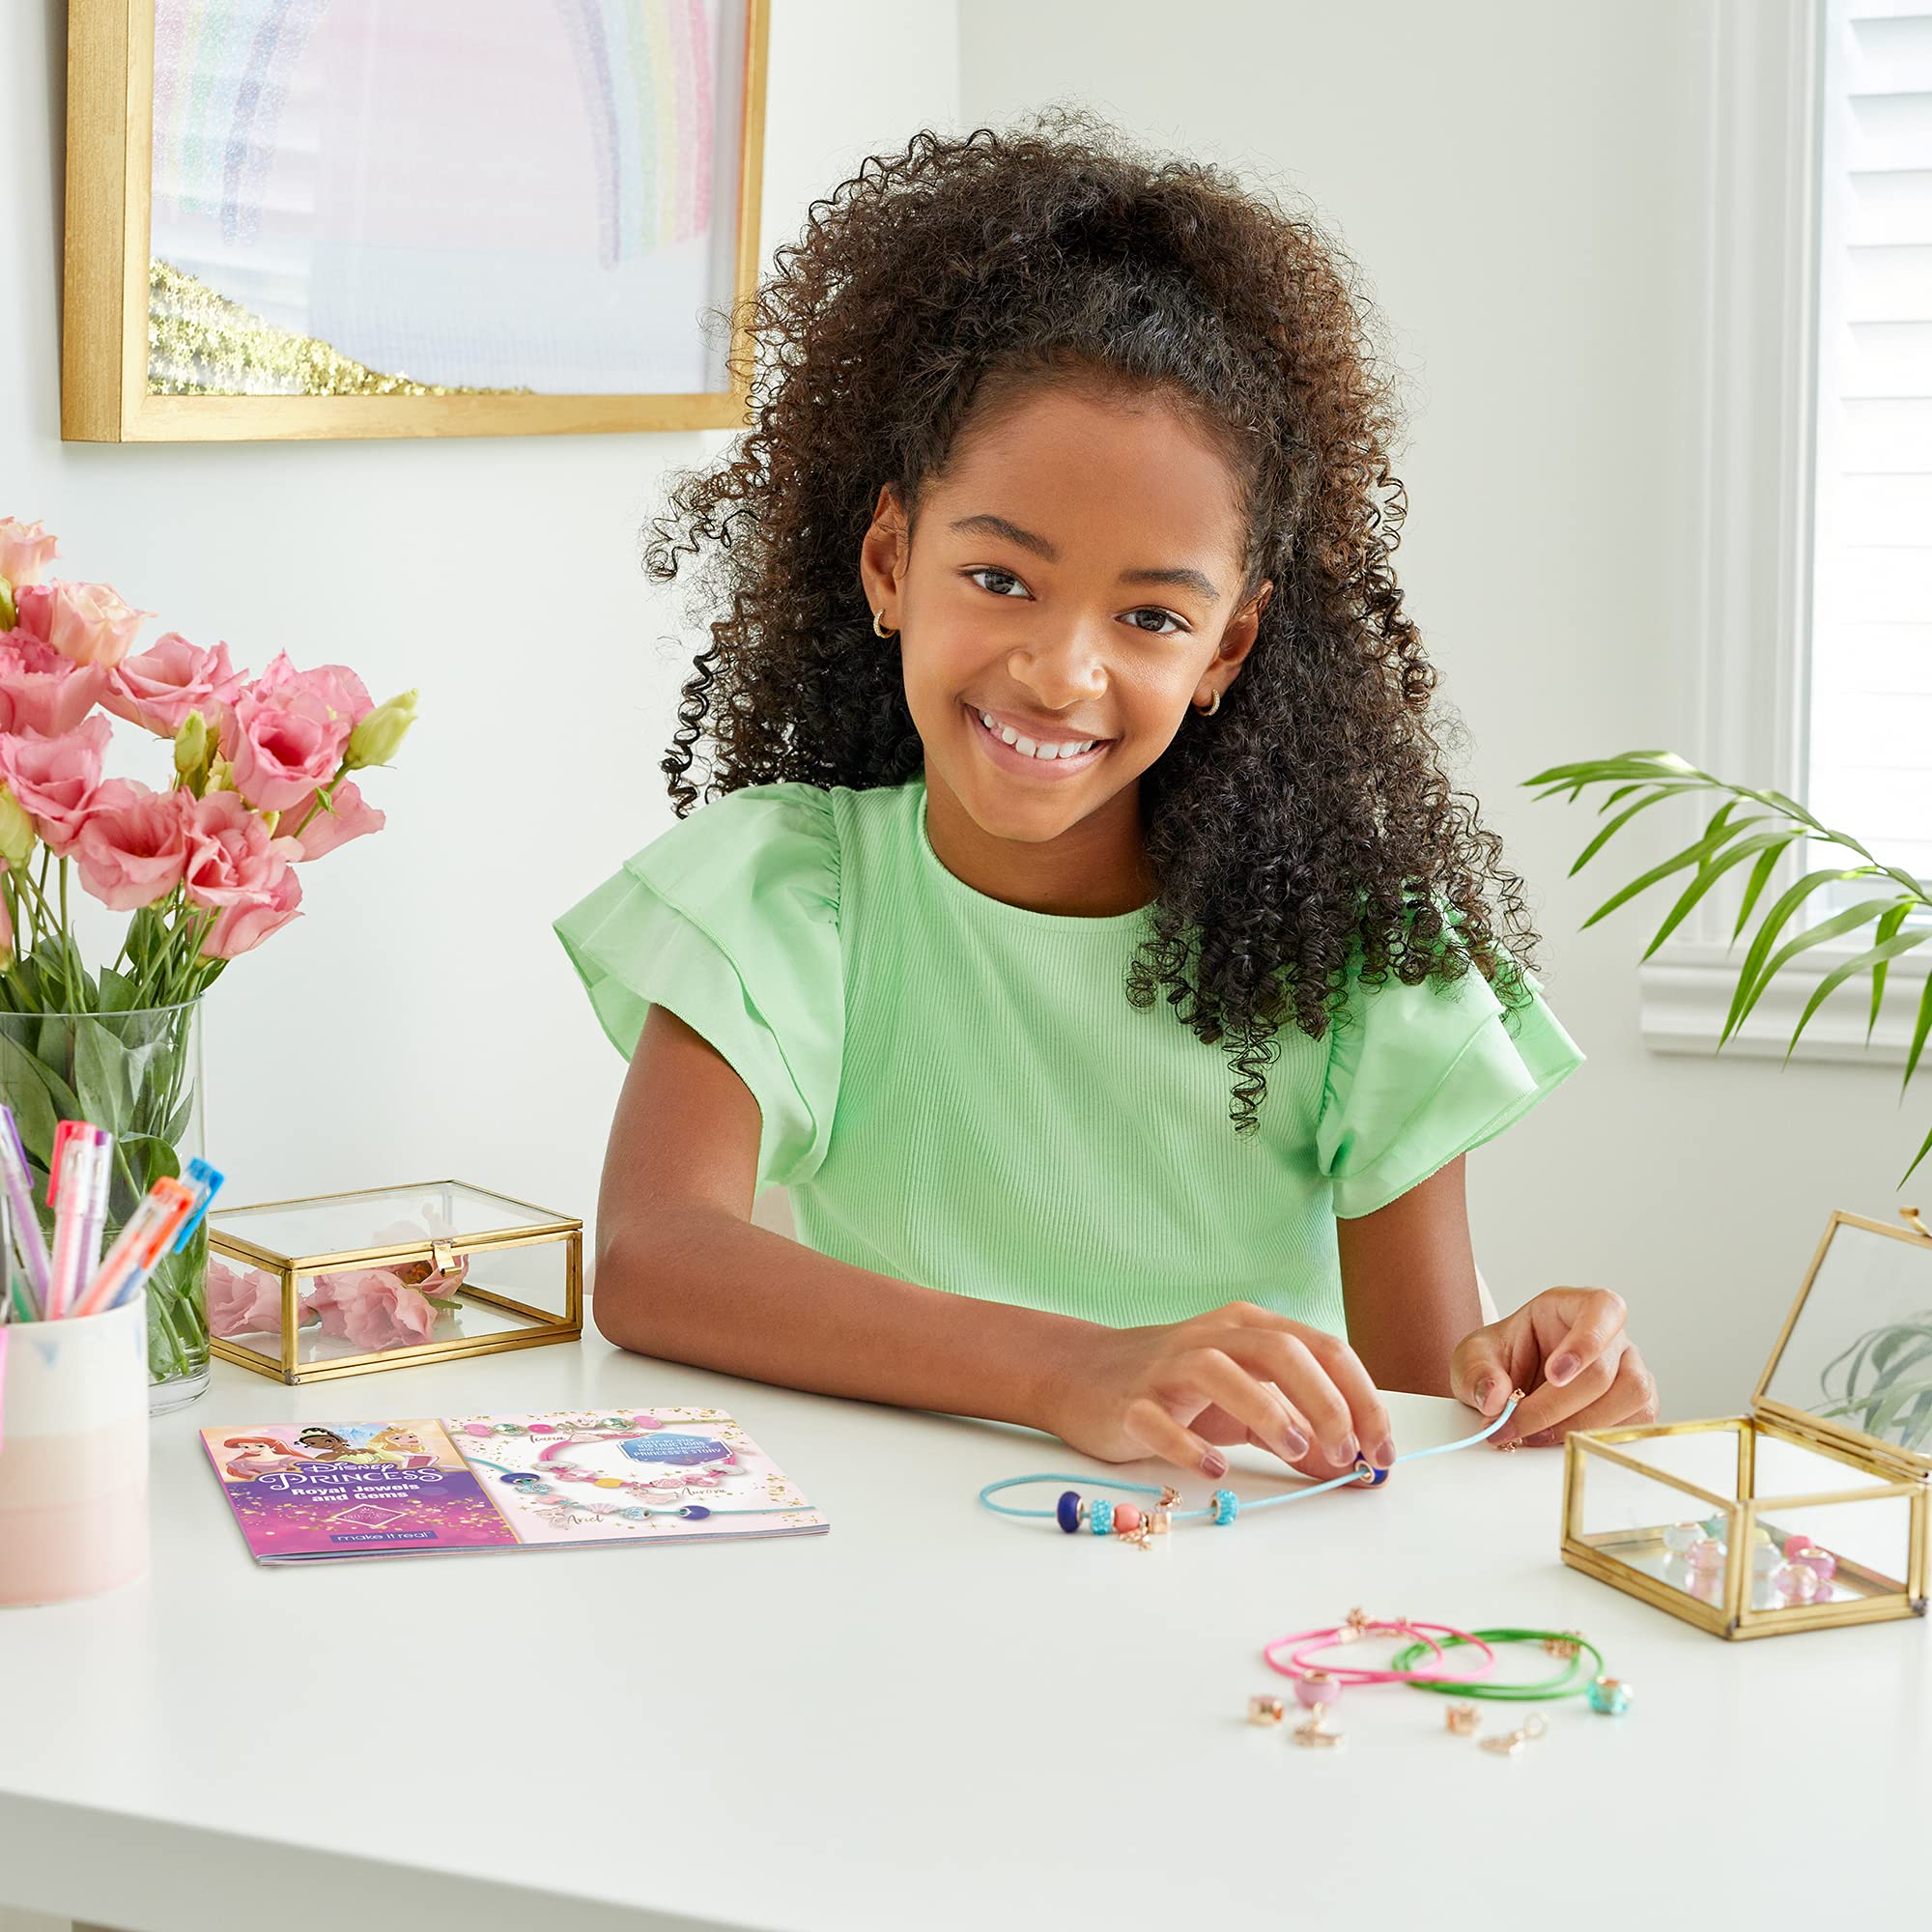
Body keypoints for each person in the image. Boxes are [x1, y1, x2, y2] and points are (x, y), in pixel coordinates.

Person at [555, 111, 1658, 1485]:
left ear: (1226, 650)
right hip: (899, 1567)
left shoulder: (1350, 956)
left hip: (1254, 1579)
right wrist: (1071, 1371)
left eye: (1149, 617)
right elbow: (655, 1258)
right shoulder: (795, 894)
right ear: (891, 561)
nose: (1062, 671)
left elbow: (1422, 1406)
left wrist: (1528, 1391)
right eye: (1000, 578)